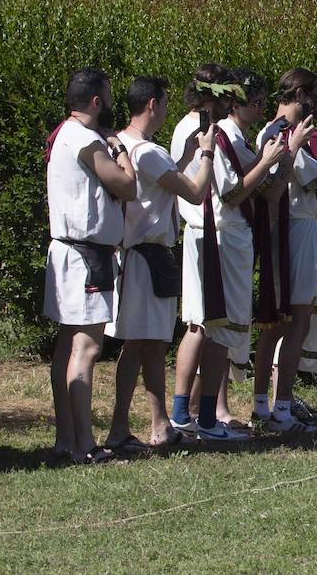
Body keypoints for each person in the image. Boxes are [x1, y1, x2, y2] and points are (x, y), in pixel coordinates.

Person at [104, 77, 217, 454]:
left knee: (150, 346)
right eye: (165, 102)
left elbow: (162, 185)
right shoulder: (147, 152)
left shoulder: (128, 145)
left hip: (141, 257)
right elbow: (195, 191)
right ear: (153, 104)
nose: (169, 108)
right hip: (145, 258)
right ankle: (120, 429)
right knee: (137, 345)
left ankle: (159, 425)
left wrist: (184, 155)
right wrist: (206, 154)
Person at [168, 66, 281, 442]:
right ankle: (198, 418)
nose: (231, 104)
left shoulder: (198, 127)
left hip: (213, 233)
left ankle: (192, 413)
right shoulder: (204, 131)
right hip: (216, 233)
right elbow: (230, 193)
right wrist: (266, 161)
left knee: (207, 324)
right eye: (227, 97)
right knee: (214, 326)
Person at [253, 68, 317, 433]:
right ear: (299, 94)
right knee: (296, 323)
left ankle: (263, 404)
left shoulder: (270, 130)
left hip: (286, 230)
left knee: (275, 326)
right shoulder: (284, 134)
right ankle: (281, 410)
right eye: (315, 96)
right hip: (300, 229)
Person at [45, 68, 135, 463]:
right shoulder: (85, 139)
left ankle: (67, 439)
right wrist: (120, 150)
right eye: (110, 98)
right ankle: (83, 445)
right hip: (85, 256)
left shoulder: (64, 133)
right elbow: (126, 185)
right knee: (86, 346)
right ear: (97, 102)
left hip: (69, 251)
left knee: (67, 346)